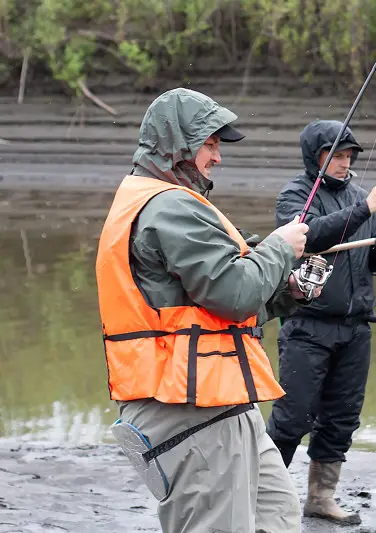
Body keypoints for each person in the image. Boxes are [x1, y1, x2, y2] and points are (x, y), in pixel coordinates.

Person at [95, 87, 317, 533]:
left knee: (276, 516)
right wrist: (278, 247)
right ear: (179, 144)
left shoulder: (166, 202)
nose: (218, 157)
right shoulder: (169, 206)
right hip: (186, 404)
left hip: (219, 399)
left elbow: (212, 311)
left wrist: (288, 290)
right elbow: (235, 293)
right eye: (211, 144)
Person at [265, 119, 376, 525]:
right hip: (306, 326)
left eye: (349, 156)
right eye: (336, 156)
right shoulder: (297, 195)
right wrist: (365, 208)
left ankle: (320, 497)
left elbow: (371, 262)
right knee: (294, 416)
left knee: (342, 416)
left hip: (355, 328)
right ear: (316, 158)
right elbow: (310, 237)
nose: (345, 163)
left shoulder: (357, 198)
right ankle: (263, 497)